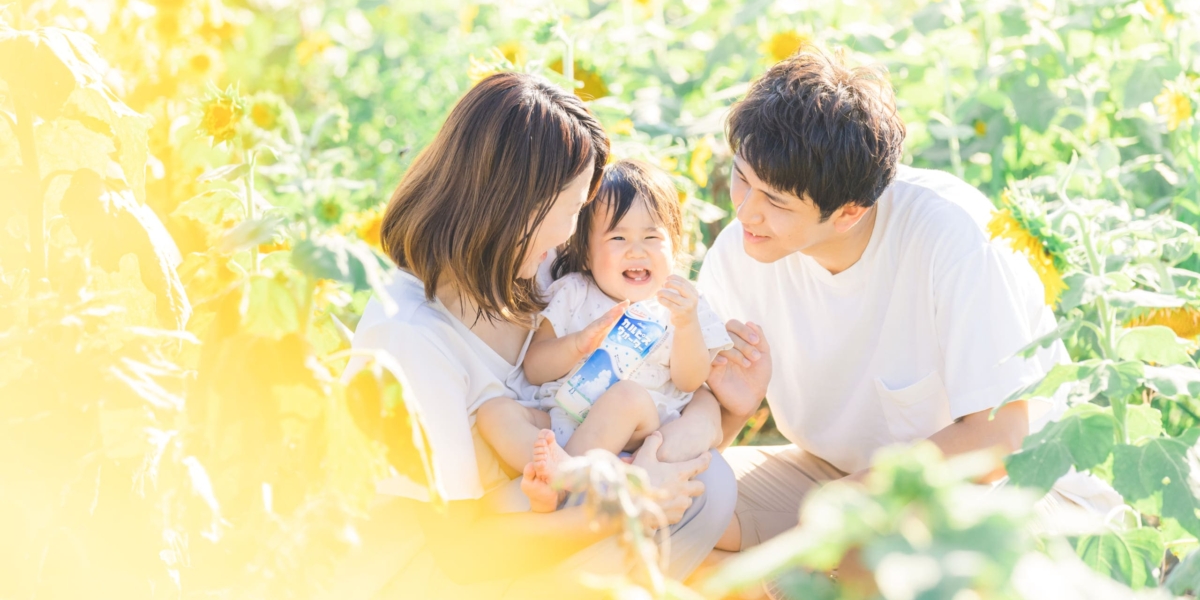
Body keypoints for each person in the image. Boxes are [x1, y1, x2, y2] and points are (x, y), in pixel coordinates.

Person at [332, 72, 736, 599]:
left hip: (537, 504)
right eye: (571, 211)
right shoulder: (409, 338)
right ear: (514, 207)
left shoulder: (533, 271)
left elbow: (650, 384)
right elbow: (461, 554)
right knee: (700, 494)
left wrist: (717, 413)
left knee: (704, 481)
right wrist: (626, 508)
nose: (571, 234)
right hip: (425, 576)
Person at [698, 46, 1069, 553]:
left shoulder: (953, 237)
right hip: (834, 478)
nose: (744, 212)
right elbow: (699, 407)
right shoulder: (743, 253)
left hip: (1011, 495)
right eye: (742, 177)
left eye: (774, 202)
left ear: (849, 212)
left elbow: (998, 440)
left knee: (867, 569)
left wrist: (836, 520)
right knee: (678, 512)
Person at [502, 160, 733, 513]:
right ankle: (553, 473)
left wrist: (686, 325)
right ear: (586, 252)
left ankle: (563, 486)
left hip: (635, 430)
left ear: (675, 244)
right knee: (493, 411)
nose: (636, 250)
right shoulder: (573, 293)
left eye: (652, 237)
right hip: (561, 418)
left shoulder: (683, 305)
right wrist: (577, 343)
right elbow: (534, 368)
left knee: (625, 396)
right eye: (618, 237)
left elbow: (690, 381)